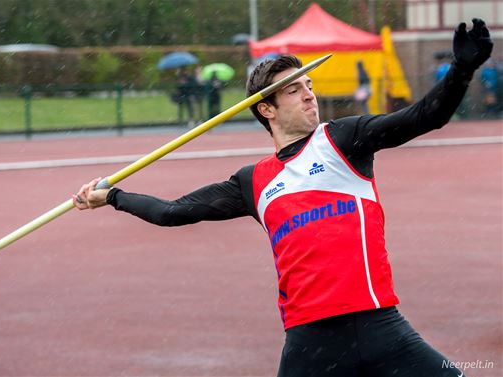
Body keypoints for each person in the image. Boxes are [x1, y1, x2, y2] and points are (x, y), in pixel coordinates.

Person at [73, 19, 492, 377]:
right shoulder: (252, 181)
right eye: (293, 90)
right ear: (267, 109)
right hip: (309, 342)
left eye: (309, 85)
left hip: (381, 325)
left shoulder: (344, 138)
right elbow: (172, 212)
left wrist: (460, 70)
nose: (309, 93)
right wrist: (113, 197)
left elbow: (426, 117)